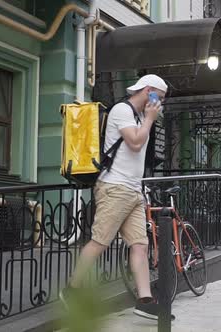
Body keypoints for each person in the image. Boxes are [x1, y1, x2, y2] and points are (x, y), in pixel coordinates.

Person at [59, 74, 171, 321]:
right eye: (159, 98)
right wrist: (151, 119)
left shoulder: (141, 116)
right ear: (149, 90)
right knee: (100, 242)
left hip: (133, 189)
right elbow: (134, 142)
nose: (160, 103)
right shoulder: (122, 110)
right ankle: (72, 290)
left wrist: (148, 118)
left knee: (140, 245)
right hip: (114, 187)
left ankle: (144, 300)